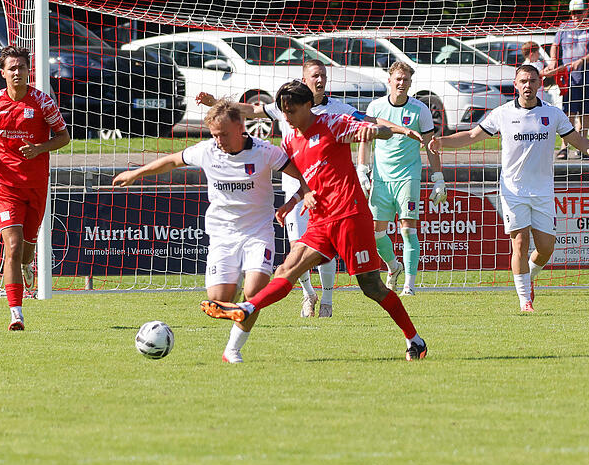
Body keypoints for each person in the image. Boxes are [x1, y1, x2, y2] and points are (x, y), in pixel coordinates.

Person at [200, 81, 429, 361]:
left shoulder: (332, 123)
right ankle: (243, 319)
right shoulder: (289, 141)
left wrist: (376, 132)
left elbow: (375, 128)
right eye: (283, 111)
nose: (287, 117)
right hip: (320, 220)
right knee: (286, 269)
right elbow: (306, 180)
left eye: (292, 111)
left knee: (372, 287)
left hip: (349, 216)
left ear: (308, 105)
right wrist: (292, 202)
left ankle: (415, 340)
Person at [113, 99, 314, 363]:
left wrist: (297, 199)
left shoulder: (266, 151)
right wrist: (136, 174)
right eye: (215, 135)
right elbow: (172, 161)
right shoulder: (207, 150)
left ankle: (232, 350)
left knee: (255, 293)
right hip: (222, 234)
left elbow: (303, 175)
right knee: (217, 301)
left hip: (258, 232)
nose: (219, 140)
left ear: (240, 127)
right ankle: (237, 301)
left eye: (224, 134)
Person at [429, 64, 589, 312]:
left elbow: (576, 139)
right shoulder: (502, 114)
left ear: (539, 84)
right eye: (523, 81)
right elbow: (472, 136)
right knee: (520, 243)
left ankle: (530, 276)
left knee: (546, 248)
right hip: (513, 190)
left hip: (543, 191)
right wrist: (443, 142)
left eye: (532, 81)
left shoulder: (553, 114)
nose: (528, 85)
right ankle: (525, 301)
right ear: (516, 85)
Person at [0, 45, 70, 330]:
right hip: (5, 186)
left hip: (36, 186)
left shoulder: (42, 102)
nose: (17, 72)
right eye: (12, 68)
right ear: (2, 73)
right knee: (12, 247)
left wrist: (40, 148)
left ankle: (28, 265)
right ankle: (16, 313)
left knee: (27, 248)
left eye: (22, 67)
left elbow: (63, 136)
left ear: (29, 71)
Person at [357, 61, 446, 296]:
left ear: (410, 83)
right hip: (381, 178)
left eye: (406, 80)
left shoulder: (420, 110)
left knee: (408, 229)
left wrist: (438, 178)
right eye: (398, 79)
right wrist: (362, 170)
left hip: (408, 177)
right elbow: (365, 139)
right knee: (376, 233)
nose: (401, 83)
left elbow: (430, 145)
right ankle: (393, 267)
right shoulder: (375, 107)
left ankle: (409, 286)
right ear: (389, 80)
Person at [548, 0, 589, 160]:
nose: (575, 16)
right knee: (568, 114)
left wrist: (582, 60)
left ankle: (583, 147)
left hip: (588, 78)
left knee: (586, 114)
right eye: (573, 12)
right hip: (570, 79)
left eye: (579, 12)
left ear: (586, 11)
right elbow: (555, 45)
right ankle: (564, 147)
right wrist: (553, 60)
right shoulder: (564, 27)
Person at [521, 41, 564, 107]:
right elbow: (544, 74)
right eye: (537, 53)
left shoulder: (538, 63)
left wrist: (550, 67)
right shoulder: (527, 66)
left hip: (541, 91)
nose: (539, 55)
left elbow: (543, 71)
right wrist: (559, 69)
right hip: (534, 93)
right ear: (531, 54)